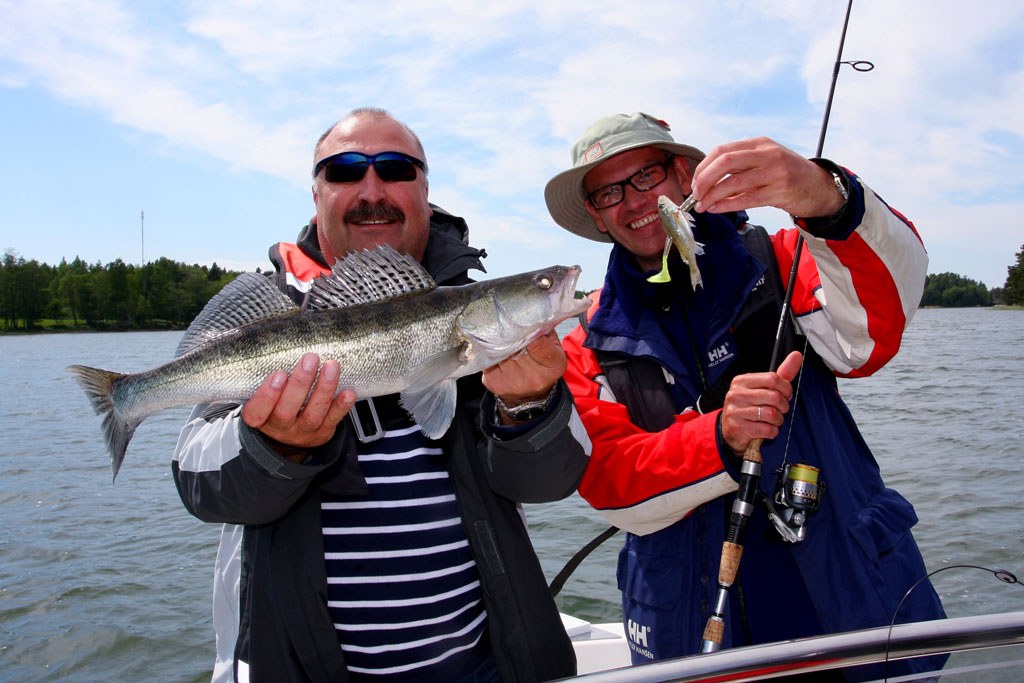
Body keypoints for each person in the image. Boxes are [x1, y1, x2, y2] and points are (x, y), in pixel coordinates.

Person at [173, 107, 587, 683]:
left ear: (425, 189)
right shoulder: (270, 318)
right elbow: (198, 482)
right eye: (343, 171)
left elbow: (553, 481)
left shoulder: (496, 337)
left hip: (485, 667)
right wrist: (274, 447)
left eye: (396, 168)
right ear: (316, 194)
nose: (372, 190)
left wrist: (528, 407)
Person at [543, 112, 947, 681]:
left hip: (847, 597)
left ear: (683, 174)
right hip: (693, 626)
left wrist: (827, 199)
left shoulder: (785, 258)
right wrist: (719, 437)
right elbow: (610, 485)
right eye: (609, 191)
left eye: (646, 177)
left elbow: (871, 334)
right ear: (595, 213)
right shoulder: (586, 340)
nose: (633, 202)